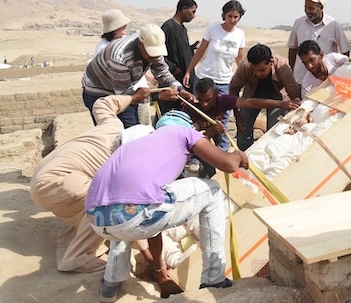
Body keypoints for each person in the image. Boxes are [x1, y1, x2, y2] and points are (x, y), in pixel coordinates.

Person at [85, 113, 249, 303]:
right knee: (212, 190)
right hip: (133, 213)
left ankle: (109, 285)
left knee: (122, 218)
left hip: (97, 219)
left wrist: (159, 269)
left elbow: (152, 225)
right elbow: (228, 164)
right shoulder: (183, 133)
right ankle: (213, 278)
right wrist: (238, 155)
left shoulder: (136, 148)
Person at [30, 91, 150, 274]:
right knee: (105, 207)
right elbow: (130, 204)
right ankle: (75, 258)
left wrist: (133, 98)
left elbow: (102, 104)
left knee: (95, 198)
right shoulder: (119, 166)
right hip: (52, 184)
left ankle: (84, 235)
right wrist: (146, 250)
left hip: (44, 172)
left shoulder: (114, 127)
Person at [82, 24, 194, 128]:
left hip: (124, 91)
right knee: (112, 133)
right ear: (140, 44)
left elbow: (162, 72)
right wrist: (158, 96)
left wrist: (179, 89)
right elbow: (125, 96)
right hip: (99, 92)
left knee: (133, 130)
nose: (155, 57)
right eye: (151, 53)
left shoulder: (152, 48)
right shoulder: (120, 58)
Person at [183, 76, 300, 174]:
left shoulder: (223, 100)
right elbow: (190, 140)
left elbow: (250, 102)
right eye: (200, 100)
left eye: (208, 100)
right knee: (207, 162)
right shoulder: (189, 108)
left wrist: (281, 104)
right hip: (198, 139)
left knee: (221, 153)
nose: (204, 104)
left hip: (216, 130)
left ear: (216, 94)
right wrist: (211, 131)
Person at [184, 0, 246, 151]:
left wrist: (244, 80)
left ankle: (221, 153)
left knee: (222, 120)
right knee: (198, 115)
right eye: (230, 16)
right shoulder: (213, 29)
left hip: (224, 82)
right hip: (205, 78)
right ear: (224, 15)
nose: (232, 20)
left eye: (236, 17)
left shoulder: (240, 34)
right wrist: (189, 71)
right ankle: (197, 150)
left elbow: (240, 60)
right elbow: (200, 51)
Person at [230, 44, 301, 151]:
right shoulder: (245, 67)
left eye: (262, 70)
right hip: (252, 96)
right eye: (254, 70)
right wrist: (237, 115)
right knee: (243, 129)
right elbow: (233, 90)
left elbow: (294, 94)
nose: (258, 74)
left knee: (274, 130)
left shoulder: (283, 67)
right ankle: (246, 157)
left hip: (277, 98)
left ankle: (270, 155)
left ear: (271, 62)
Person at [287, 0, 350, 84]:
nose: (308, 11)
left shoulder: (333, 25)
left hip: (326, 81)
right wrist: (292, 70)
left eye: (311, 8)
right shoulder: (298, 23)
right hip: (300, 79)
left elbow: (345, 51)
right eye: (306, 7)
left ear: (321, 8)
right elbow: (292, 48)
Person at [160, 0, 198, 114]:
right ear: (184, 9)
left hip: (185, 81)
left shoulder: (182, 29)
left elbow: (179, 50)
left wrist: (191, 48)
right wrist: (174, 69)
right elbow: (160, 55)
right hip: (172, 81)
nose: (194, 16)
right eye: (193, 11)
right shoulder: (168, 27)